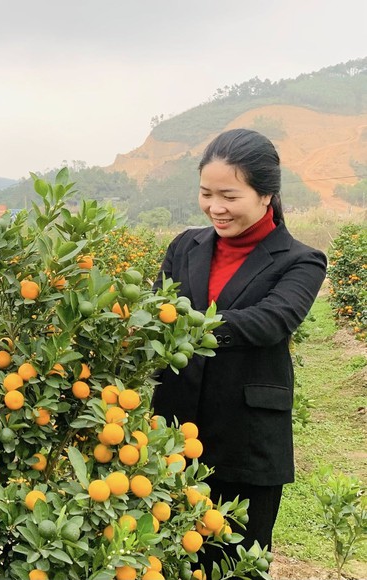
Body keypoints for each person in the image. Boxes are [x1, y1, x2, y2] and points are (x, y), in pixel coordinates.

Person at [151, 129, 327, 569]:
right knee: (167, 560)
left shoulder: (300, 260)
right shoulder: (185, 246)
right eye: (206, 194)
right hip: (171, 434)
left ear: (266, 195)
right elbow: (155, 312)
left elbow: (271, 321)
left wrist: (187, 325)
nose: (215, 207)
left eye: (229, 195)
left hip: (246, 441)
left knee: (234, 563)